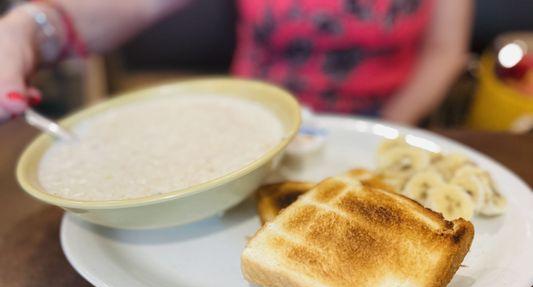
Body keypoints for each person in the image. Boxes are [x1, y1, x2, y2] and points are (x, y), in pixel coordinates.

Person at [0, 0, 472, 125]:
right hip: (255, 124)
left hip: (383, 126)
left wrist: (385, 131)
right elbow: (133, 5)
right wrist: (30, 26)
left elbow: (445, 50)